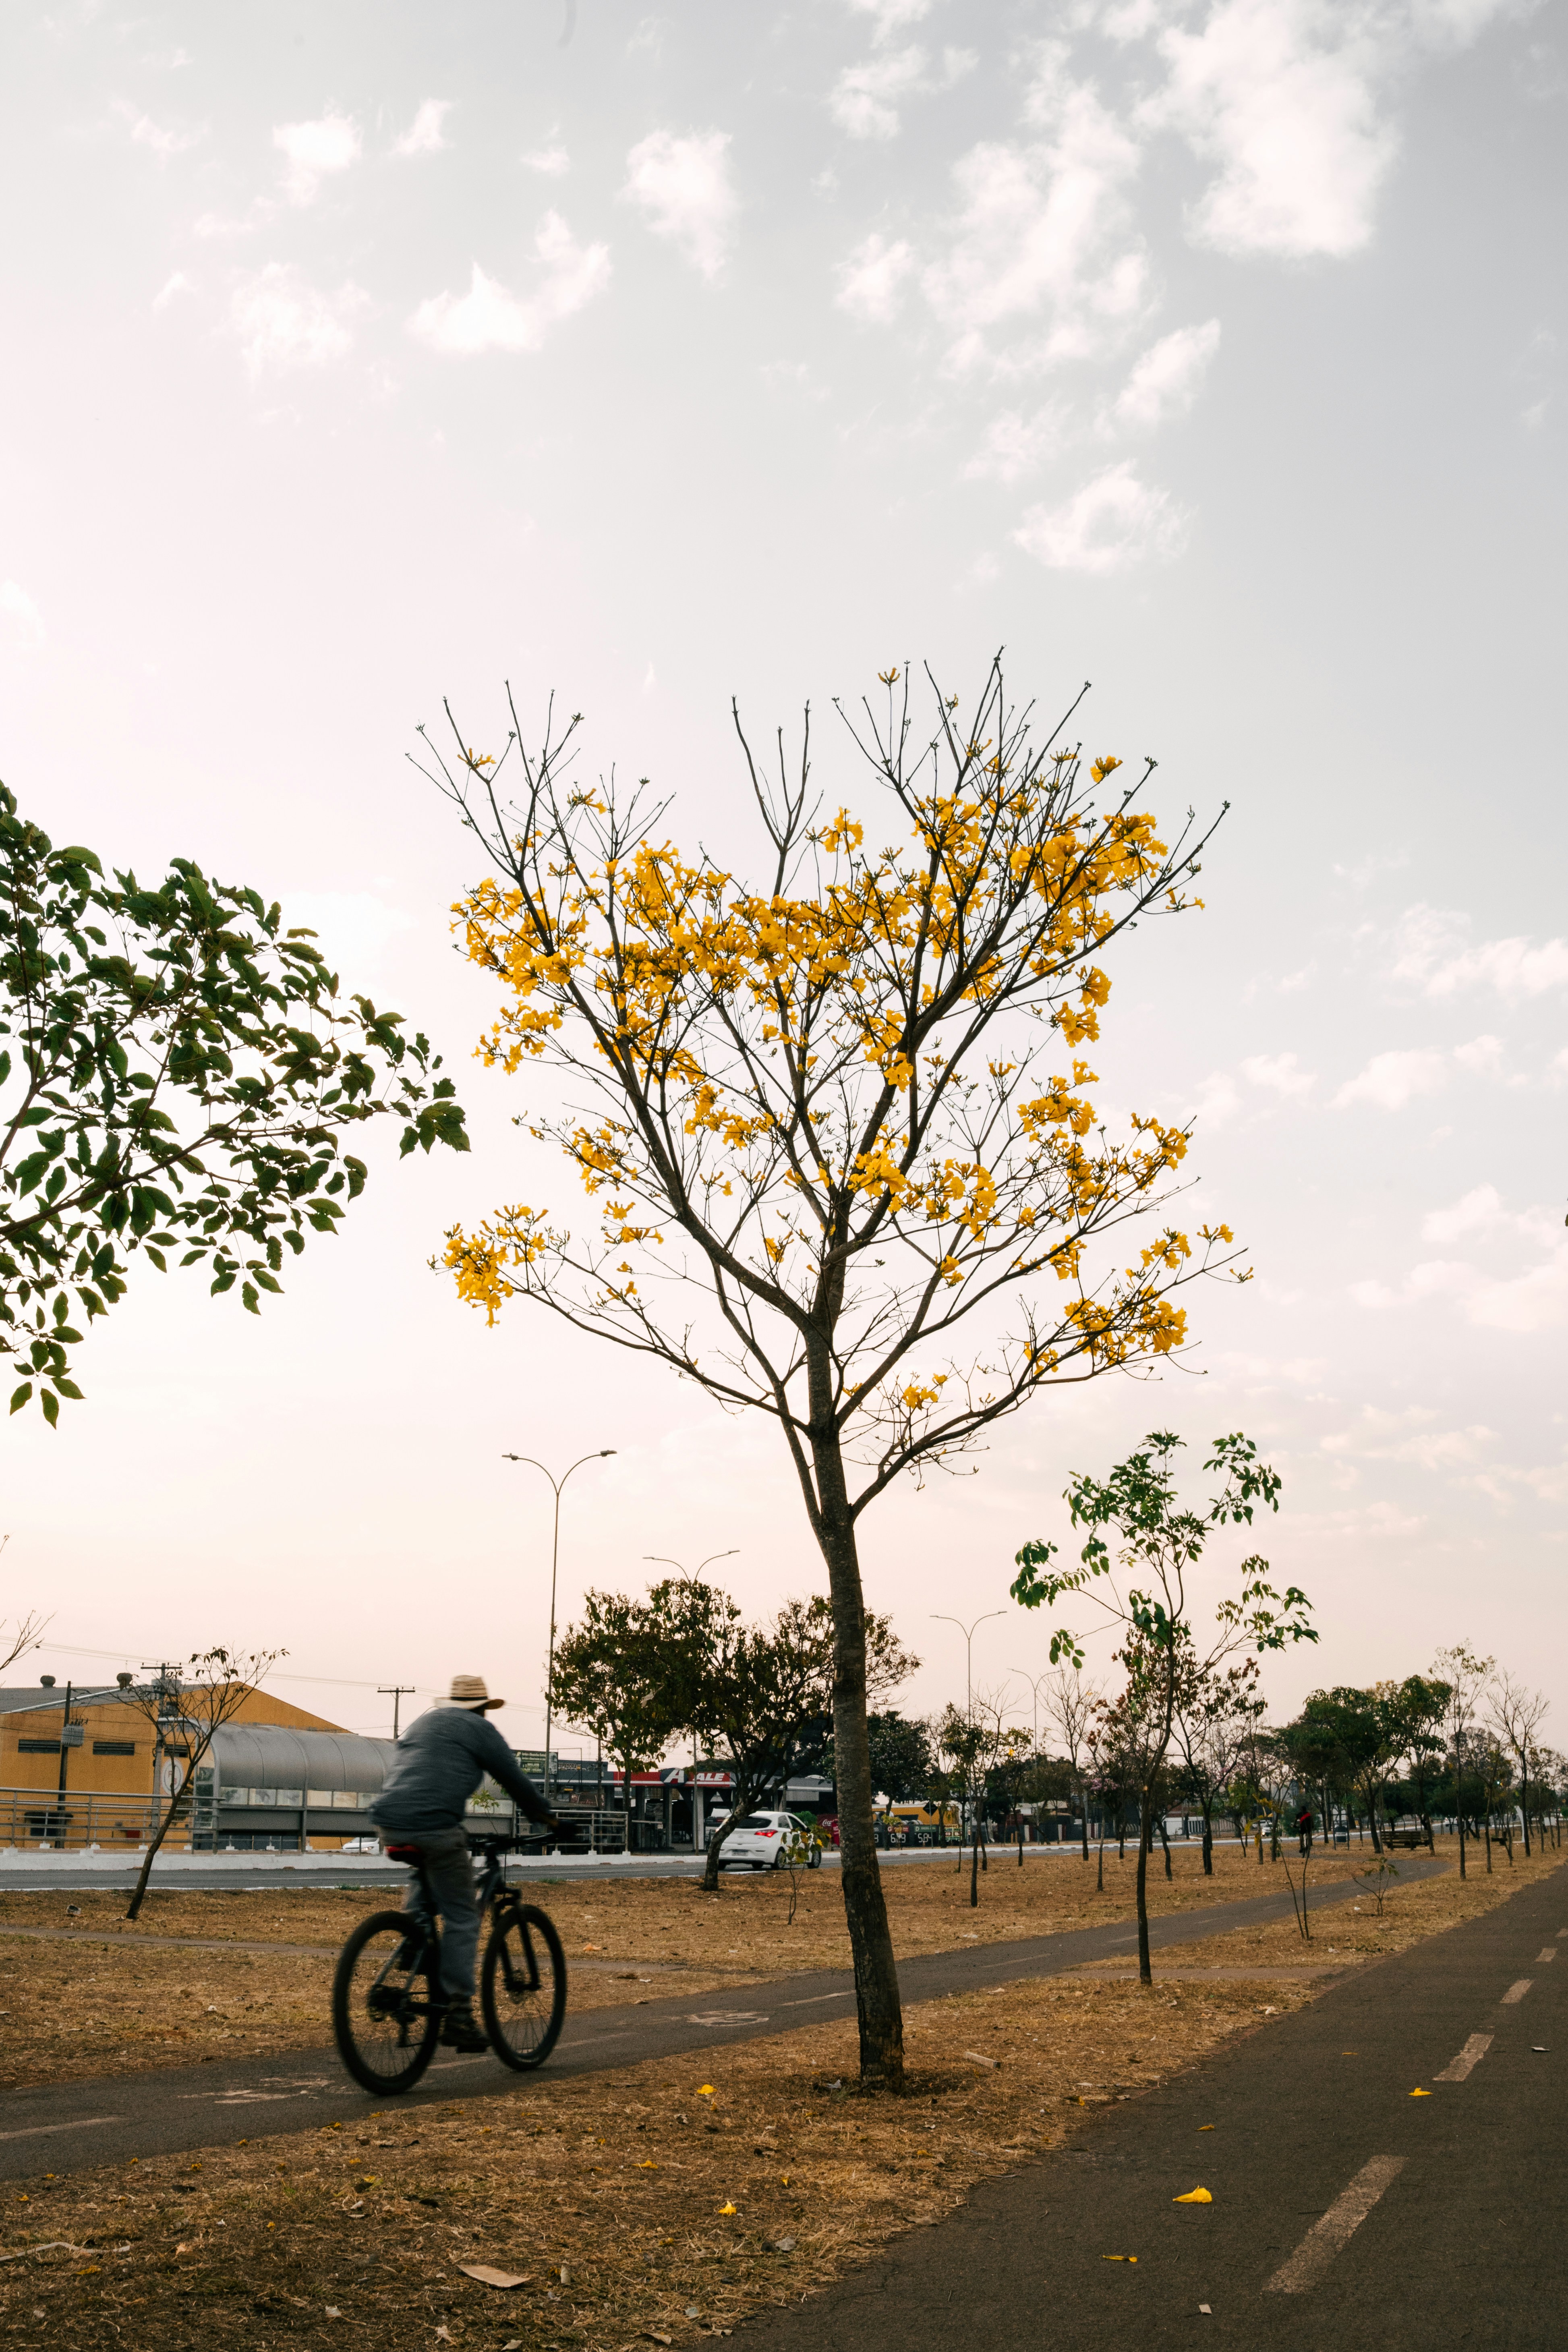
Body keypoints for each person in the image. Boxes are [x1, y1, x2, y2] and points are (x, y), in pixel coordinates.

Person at [369, 1674, 559, 2052]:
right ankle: (459, 2013)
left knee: (429, 1873)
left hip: (389, 1820)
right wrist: (549, 1818)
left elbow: (418, 1773)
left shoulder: (423, 1722)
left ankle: (413, 1942)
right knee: (462, 1916)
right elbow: (514, 1778)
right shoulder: (480, 1729)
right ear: (483, 1709)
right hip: (435, 1824)